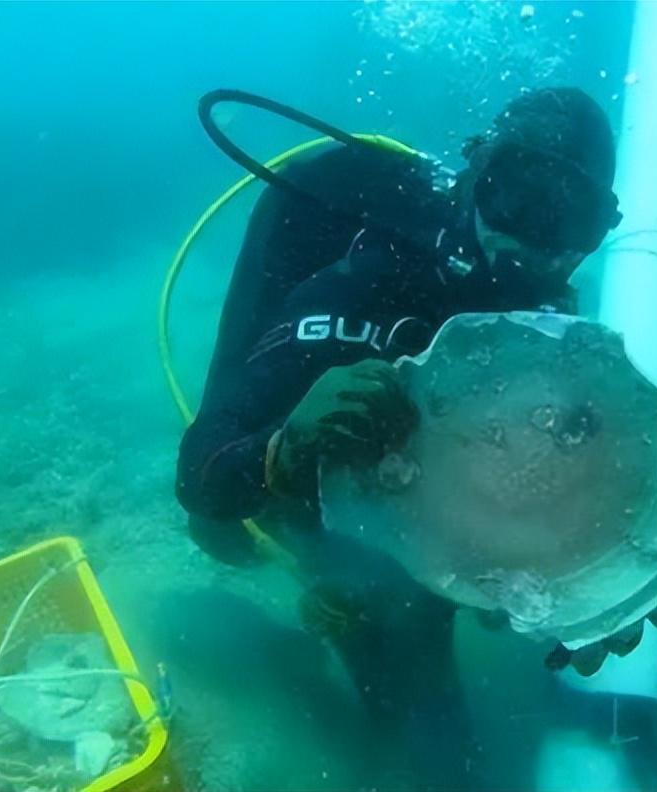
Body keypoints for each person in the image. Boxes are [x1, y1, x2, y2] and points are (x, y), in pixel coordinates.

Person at [175, 87, 621, 786]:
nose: (532, 239)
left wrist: (606, 570)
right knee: (411, 685)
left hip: (427, 491)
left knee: (463, 618)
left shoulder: (544, 318)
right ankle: (333, 660)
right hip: (322, 483)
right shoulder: (373, 271)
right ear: (478, 176)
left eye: (569, 216)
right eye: (517, 196)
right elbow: (200, 472)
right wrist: (284, 450)